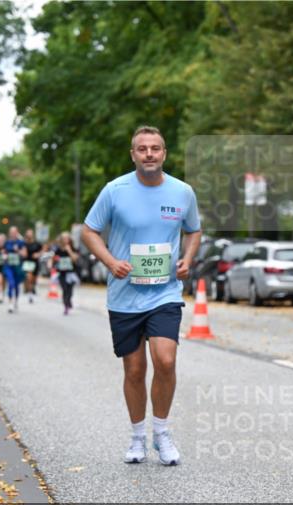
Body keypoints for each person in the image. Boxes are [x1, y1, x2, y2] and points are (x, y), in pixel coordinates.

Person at [81, 126, 202, 466]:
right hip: (125, 295)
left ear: (164, 153)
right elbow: (89, 231)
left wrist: (187, 260)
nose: (149, 153)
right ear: (132, 154)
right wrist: (110, 262)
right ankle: (137, 438)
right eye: (142, 149)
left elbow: (194, 230)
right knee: (134, 369)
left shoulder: (182, 192)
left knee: (166, 360)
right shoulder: (114, 190)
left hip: (165, 292)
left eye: (155, 148)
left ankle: (161, 433)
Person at [51, 231, 80, 315]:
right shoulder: (58, 250)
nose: (65, 240)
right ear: (61, 240)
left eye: (67, 238)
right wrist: (55, 260)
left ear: (70, 239)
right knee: (64, 289)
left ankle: (69, 301)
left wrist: (69, 250)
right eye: (64, 238)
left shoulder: (73, 248)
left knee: (70, 290)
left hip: (71, 273)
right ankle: (66, 306)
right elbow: (54, 259)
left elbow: (75, 259)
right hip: (62, 273)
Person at [2, 226, 27, 313]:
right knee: (10, 282)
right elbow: (3, 252)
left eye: (14, 232)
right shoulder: (7, 242)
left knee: (16, 285)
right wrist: (4, 256)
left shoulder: (21, 242)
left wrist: (18, 251)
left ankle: (15, 300)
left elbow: (24, 254)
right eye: (11, 232)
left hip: (18, 267)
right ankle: (10, 303)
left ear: (17, 233)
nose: (13, 234)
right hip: (8, 266)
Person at [23, 228, 43, 303]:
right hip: (27, 262)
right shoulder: (23, 243)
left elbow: (43, 250)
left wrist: (38, 254)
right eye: (28, 234)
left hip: (35, 263)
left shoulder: (37, 243)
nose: (29, 235)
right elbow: (20, 251)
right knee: (29, 278)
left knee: (33, 279)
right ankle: (30, 293)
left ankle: (32, 288)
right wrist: (22, 252)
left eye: (30, 234)